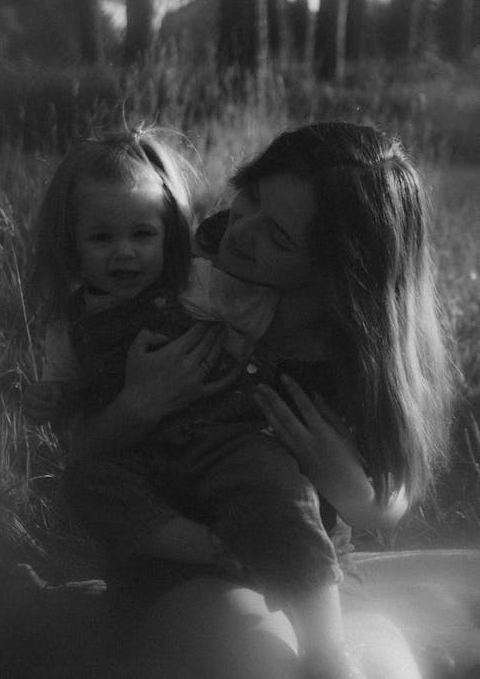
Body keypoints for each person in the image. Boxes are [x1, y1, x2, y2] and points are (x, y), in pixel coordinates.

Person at [34, 122, 452, 678]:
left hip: (316, 577)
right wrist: (139, 405)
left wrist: (350, 485)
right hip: (184, 570)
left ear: (338, 273)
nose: (240, 230)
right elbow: (82, 461)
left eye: (278, 237)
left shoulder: (353, 352)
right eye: (249, 195)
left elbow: (392, 488)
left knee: (378, 669)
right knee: (253, 660)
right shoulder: (186, 272)